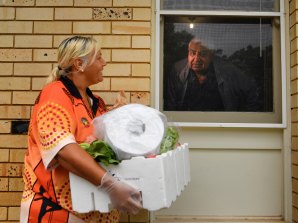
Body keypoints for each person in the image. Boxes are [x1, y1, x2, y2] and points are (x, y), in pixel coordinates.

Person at [20, 36, 142, 223]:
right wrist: (110, 186)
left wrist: (118, 118)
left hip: (90, 211)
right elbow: (64, 151)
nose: (104, 62)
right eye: (99, 57)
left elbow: (102, 144)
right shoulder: (55, 94)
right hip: (56, 212)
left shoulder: (96, 102)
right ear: (79, 64)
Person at [164, 38, 261, 111]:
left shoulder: (228, 72)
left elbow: (252, 95)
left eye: (202, 54)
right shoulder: (177, 71)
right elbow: (170, 105)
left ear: (211, 55)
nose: (196, 59)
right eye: (192, 53)